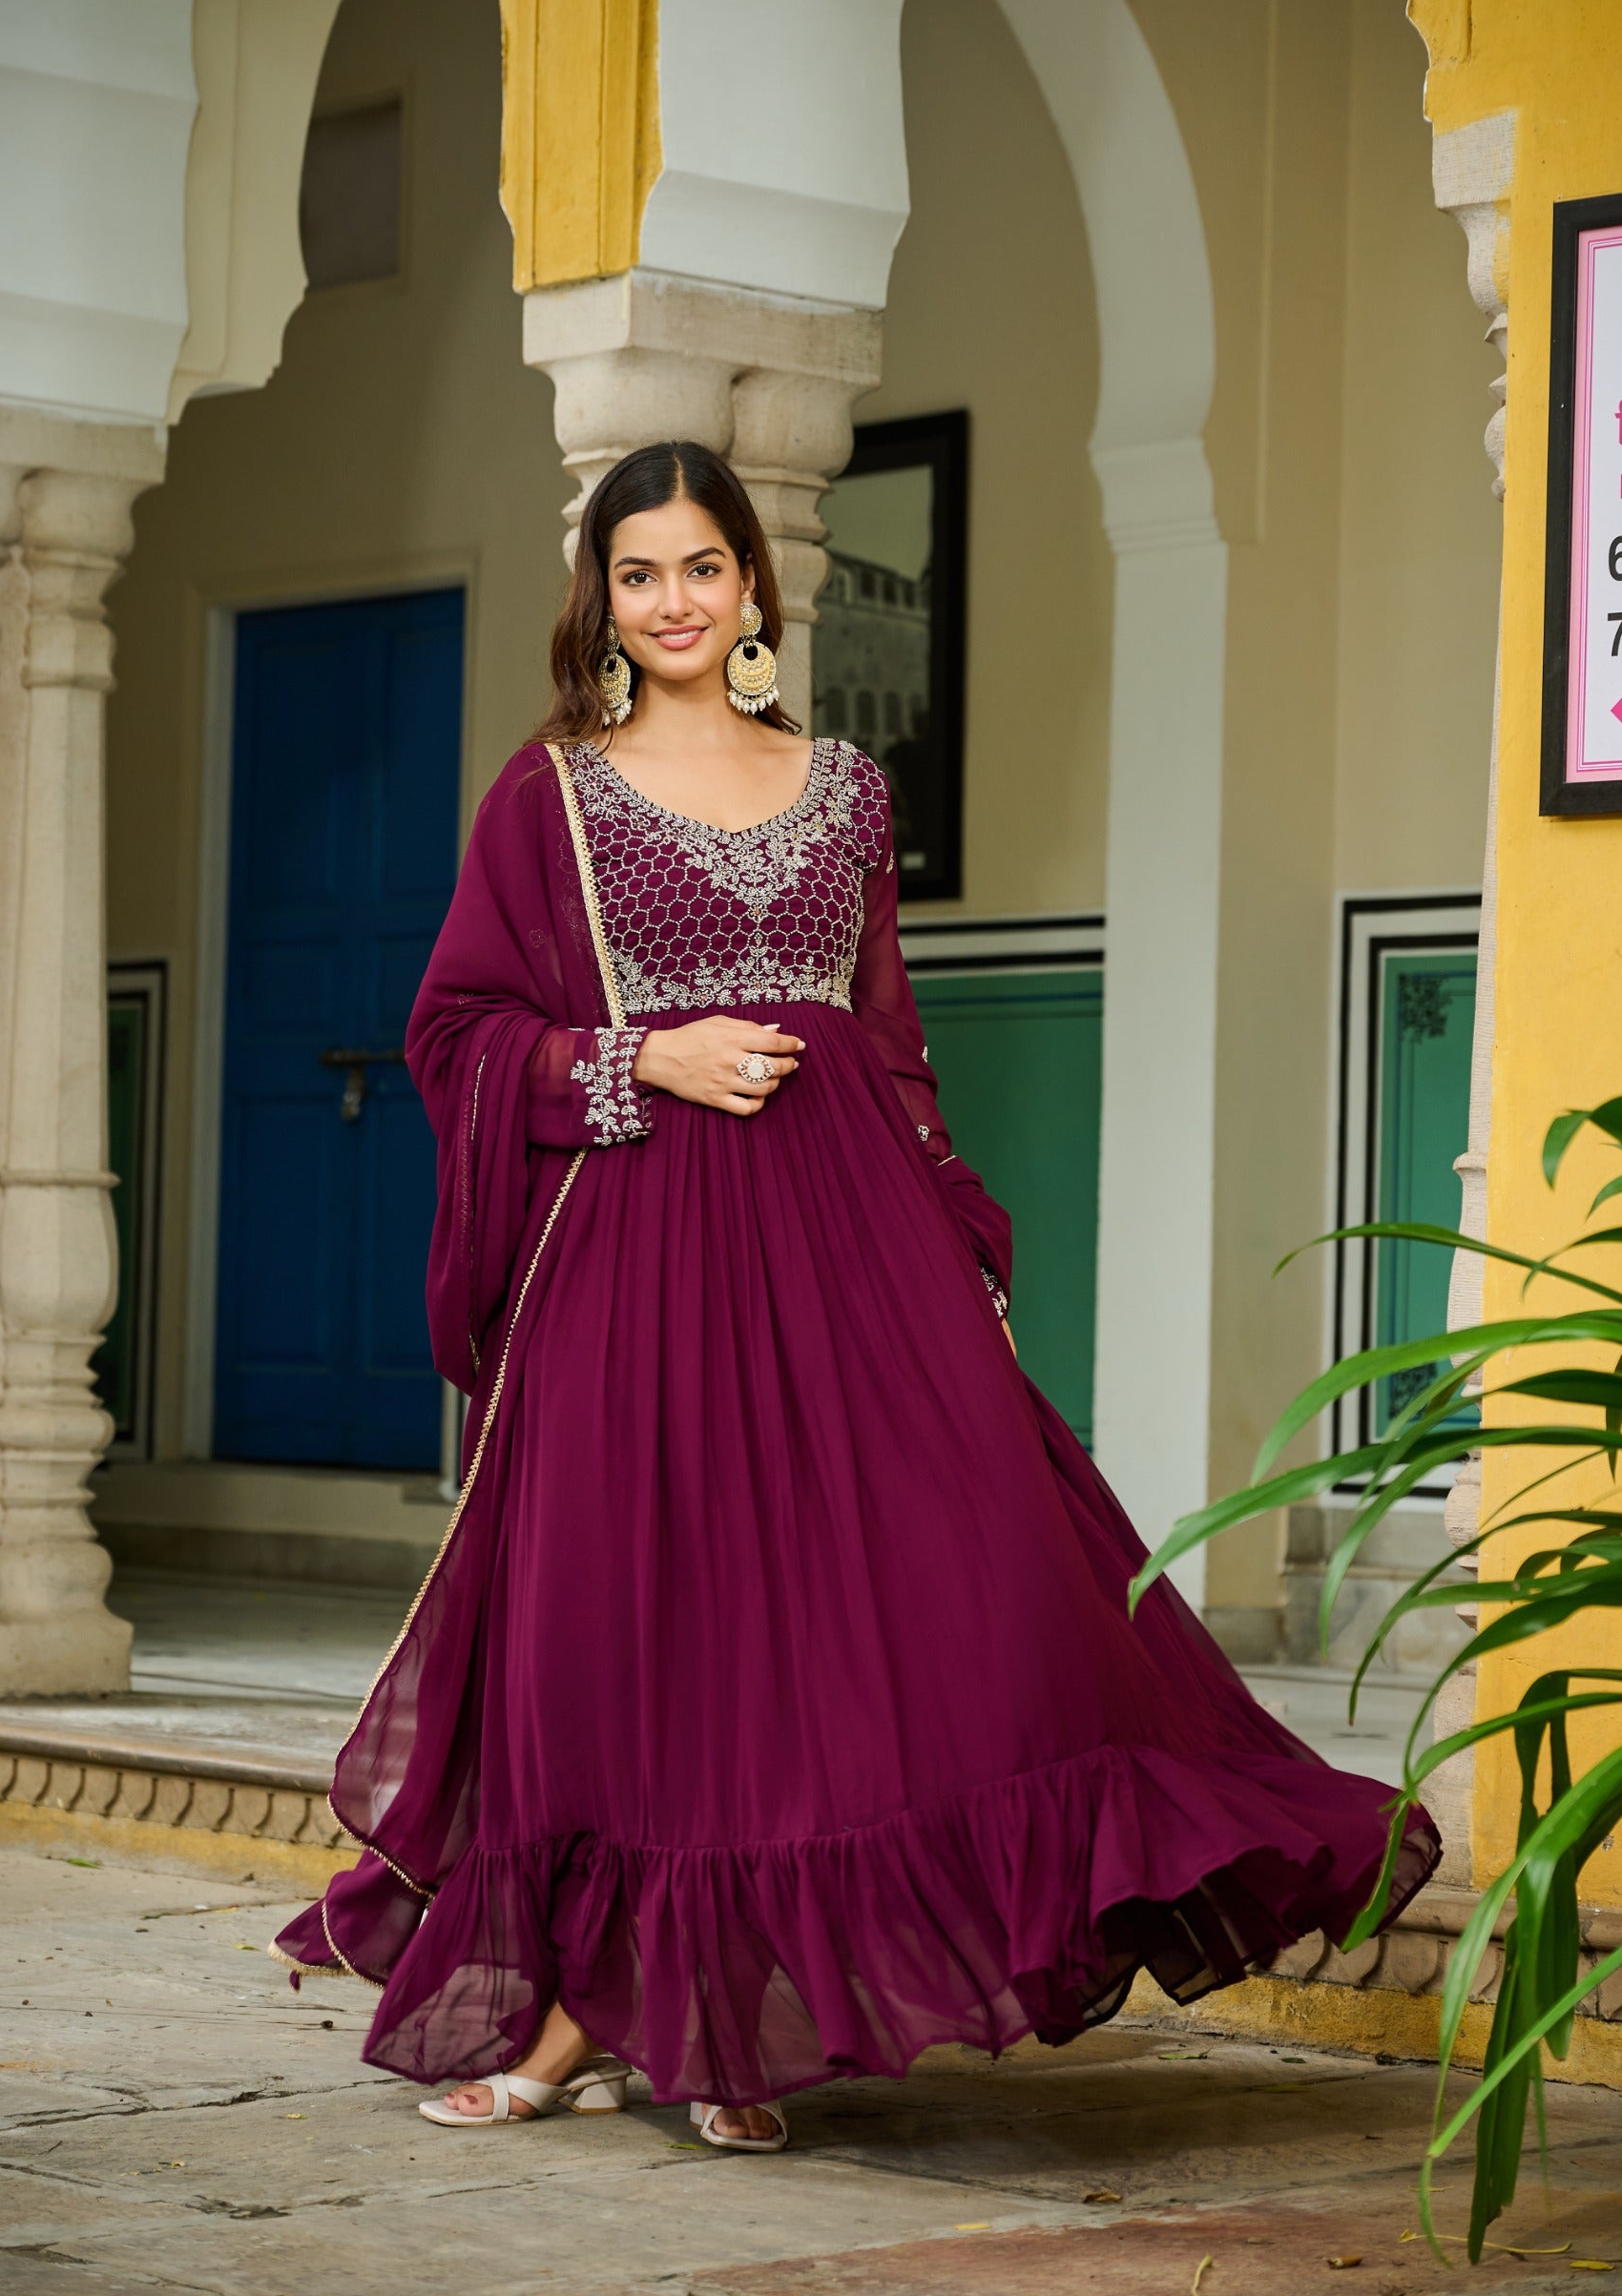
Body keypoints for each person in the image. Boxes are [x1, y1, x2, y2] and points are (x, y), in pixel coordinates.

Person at [275, 441, 1438, 2151]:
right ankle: (605, 2020)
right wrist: (641, 1056)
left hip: (849, 1245)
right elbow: (457, 1030)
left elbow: (887, 1041)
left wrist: (954, 1230)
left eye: (704, 569)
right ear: (601, 598)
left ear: (756, 585)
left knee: (918, 1608)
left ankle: (739, 2020)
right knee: (651, 1622)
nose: (674, 602)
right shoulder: (555, 796)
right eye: (640, 574)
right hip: (644, 1245)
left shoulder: (845, 788)